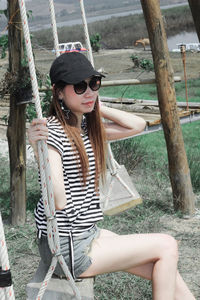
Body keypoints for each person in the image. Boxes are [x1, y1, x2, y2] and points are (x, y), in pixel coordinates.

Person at [28, 52, 195, 300]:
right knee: (167, 244)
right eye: (80, 86)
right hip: (68, 247)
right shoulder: (52, 133)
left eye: (94, 83)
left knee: (165, 269)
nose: (89, 91)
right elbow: (59, 200)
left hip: (86, 232)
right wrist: (41, 151)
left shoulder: (84, 128)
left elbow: (136, 125)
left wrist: (97, 105)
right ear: (59, 92)